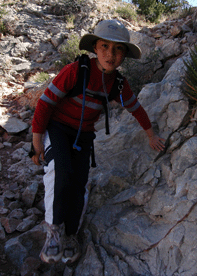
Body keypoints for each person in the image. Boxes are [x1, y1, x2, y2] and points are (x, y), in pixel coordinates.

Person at [31, 19, 165, 264]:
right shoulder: (76, 71)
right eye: (105, 46)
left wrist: (150, 135)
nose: (110, 54)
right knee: (59, 172)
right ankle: (53, 231)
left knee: (80, 183)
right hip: (58, 128)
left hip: (84, 135)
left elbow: (136, 109)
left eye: (118, 49)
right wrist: (37, 139)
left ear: (124, 55)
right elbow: (45, 103)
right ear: (95, 48)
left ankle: (71, 234)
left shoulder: (119, 84)